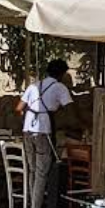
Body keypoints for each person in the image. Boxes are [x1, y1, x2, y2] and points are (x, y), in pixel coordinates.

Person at [19, 59, 74, 197]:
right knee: (41, 172)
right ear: (61, 74)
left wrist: (30, 118)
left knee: (32, 170)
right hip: (43, 130)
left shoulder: (34, 86)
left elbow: (19, 108)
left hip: (27, 130)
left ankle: (31, 202)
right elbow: (71, 111)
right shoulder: (60, 87)